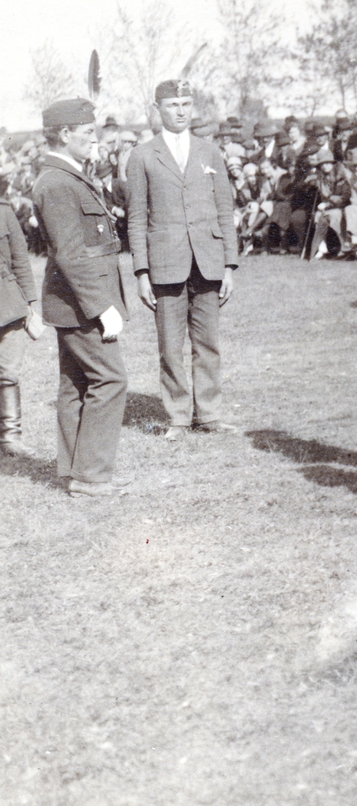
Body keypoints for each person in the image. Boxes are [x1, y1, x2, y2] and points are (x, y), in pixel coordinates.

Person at [124, 79, 240, 438]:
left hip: (207, 260)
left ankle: (209, 415)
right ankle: (177, 416)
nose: (181, 111)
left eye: (186, 104)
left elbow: (225, 209)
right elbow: (137, 217)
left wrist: (229, 265)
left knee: (208, 343)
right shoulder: (142, 155)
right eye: (173, 105)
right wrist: (142, 272)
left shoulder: (210, 152)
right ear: (158, 108)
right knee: (171, 346)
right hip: (165, 264)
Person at [34, 98, 131, 497]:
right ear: (64, 134)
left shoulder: (68, 176)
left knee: (75, 385)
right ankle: (90, 476)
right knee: (110, 379)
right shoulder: (57, 182)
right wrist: (102, 307)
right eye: (88, 132)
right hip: (81, 302)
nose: (95, 138)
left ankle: (74, 471)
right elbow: (71, 254)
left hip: (75, 300)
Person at [0, 174, 43, 455]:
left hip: (7, 304)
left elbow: (20, 261)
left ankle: (10, 437)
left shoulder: (4, 211)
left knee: (8, 372)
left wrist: (29, 304)